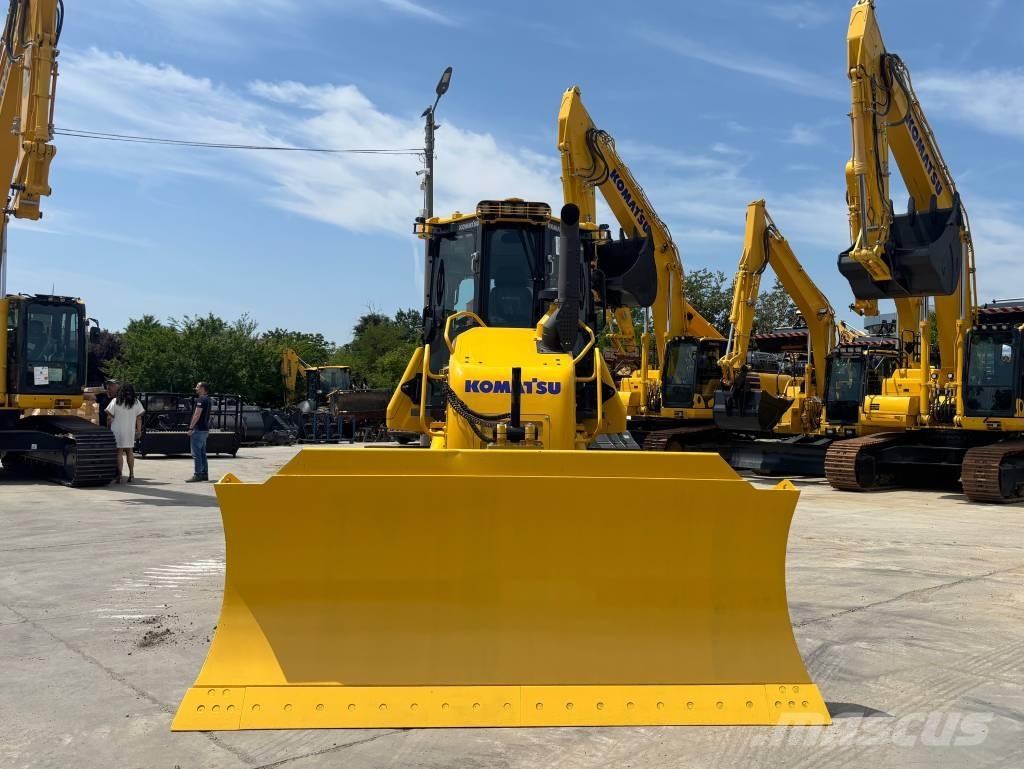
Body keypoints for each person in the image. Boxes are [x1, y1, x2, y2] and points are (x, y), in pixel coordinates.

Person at [105, 382, 144, 483]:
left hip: (117, 431)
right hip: (130, 431)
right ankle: (131, 474)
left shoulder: (115, 401)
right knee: (130, 451)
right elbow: (139, 418)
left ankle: (120, 475)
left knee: (119, 452)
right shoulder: (136, 402)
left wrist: (108, 428)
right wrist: (139, 431)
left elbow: (109, 417)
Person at [187, 381, 212, 482]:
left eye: (197, 387)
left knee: (196, 454)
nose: (195, 389)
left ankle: (198, 474)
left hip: (198, 430)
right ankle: (204, 474)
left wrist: (190, 428)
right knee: (202, 453)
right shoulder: (208, 400)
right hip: (204, 430)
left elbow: (197, 414)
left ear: (202, 388)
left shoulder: (201, 399)